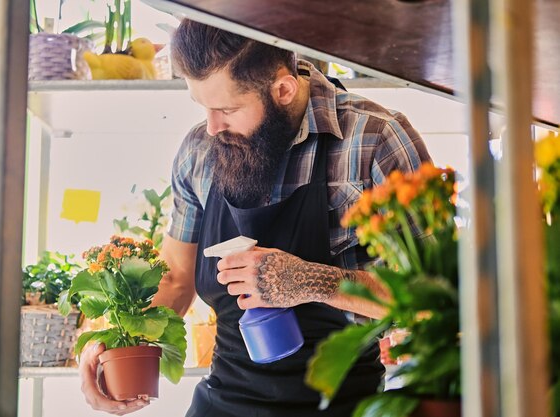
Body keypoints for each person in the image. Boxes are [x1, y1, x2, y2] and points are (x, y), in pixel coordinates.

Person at [78, 19, 432, 417]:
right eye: (203, 107)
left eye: (227, 109)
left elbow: (433, 297)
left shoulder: (375, 140)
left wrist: (314, 281)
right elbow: (177, 276)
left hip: (344, 404)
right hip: (223, 402)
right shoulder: (200, 150)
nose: (211, 127)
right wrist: (114, 347)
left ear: (283, 89)